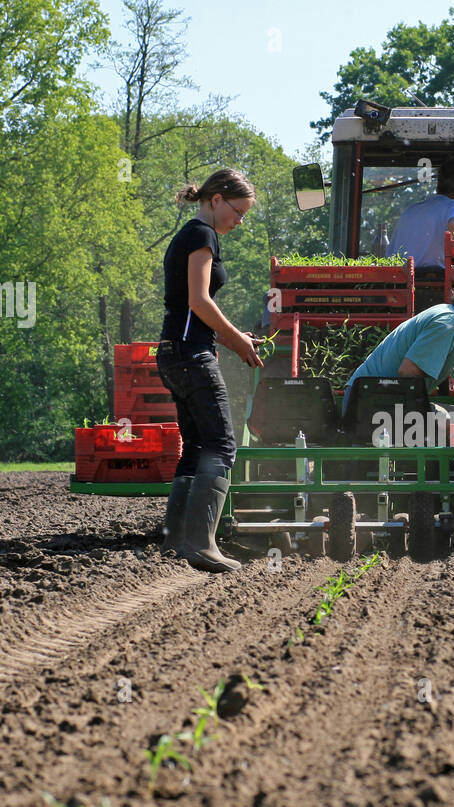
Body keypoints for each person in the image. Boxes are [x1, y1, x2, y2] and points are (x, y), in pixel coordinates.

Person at [157, 169, 264, 573]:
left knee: (198, 447)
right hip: (189, 355)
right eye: (239, 211)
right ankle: (201, 544)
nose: (240, 220)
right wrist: (234, 340)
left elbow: (188, 310)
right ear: (217, 199)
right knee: (221, 446)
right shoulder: (202, 235)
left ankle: (176, 540)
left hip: (175, 351)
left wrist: (233, 338)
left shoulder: (190, 235)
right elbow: (200, 302)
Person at [341, 277, 454, 425]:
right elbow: (408, 372)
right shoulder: (448, 322)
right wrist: (431, 418)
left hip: (385, 401)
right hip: (368, 402)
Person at [388, 155, 454, 272]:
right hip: (437, 284)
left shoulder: (410, 211)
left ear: (438, 185)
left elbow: (390, 256)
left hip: (401, 282)